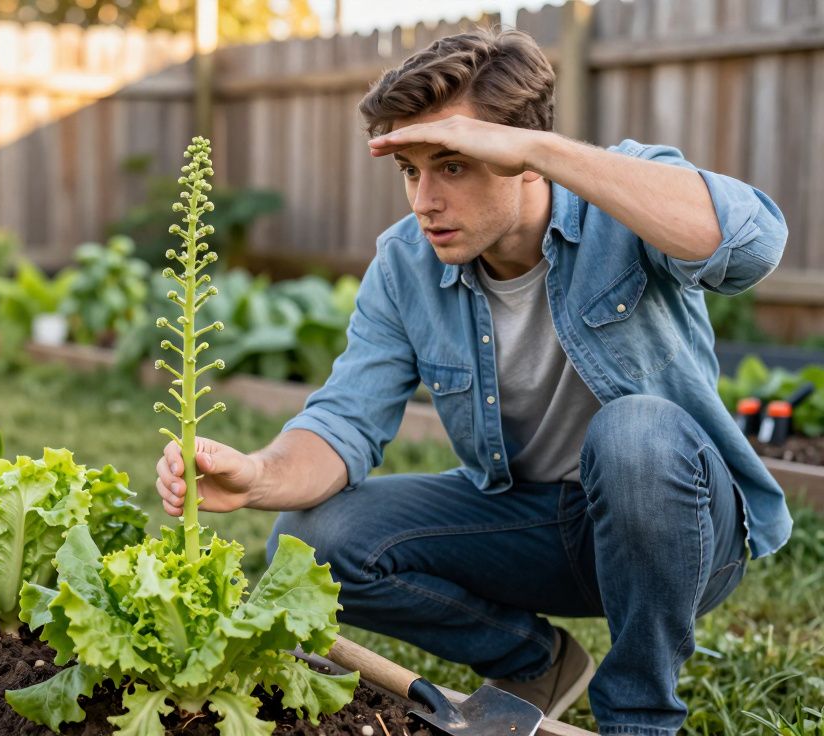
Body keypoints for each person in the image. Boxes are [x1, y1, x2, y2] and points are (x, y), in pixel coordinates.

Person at [154, 26, 791, 736]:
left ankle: (640, 717)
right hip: (536, 527)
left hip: (682, 527)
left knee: (634, 432)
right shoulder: (405, 266)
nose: (423, 200)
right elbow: (345, 421)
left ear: (519, 157)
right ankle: (533, 661)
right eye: (410, 171)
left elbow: (752, 245)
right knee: (312, 540)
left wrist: (543, 151)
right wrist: (258, 473)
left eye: (451, 165)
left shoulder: (622, 193)